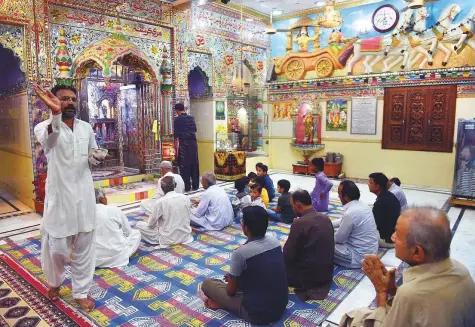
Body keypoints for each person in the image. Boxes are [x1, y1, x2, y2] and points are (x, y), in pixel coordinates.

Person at [339, 207, 475, 327]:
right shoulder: (461, 269)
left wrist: (381, 293)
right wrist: (392, 289)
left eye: (397, 234)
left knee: (351, 318)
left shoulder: (410, 295)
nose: (392, 237)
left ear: (417, 252)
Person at [33, 84, 103, 311]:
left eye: (73, 99)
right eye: (64, 98)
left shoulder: (86, 128)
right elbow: (50, 143)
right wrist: (55, 114)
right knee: (57, 249)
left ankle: (81, 291)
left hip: (84, 195)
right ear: (54, 99)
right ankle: (55, 282)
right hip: (60, 198)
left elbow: (92, 154)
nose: (70, 103)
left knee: (84, 247)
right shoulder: (43, 127)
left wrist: (96, 157)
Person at [201, 206, 288, 324]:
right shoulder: (275, 242)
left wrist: (234, 280)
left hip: (257, 314)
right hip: (281, 305)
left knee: (208, 284)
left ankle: (224, 303)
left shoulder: (240, 253)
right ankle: (227, 301)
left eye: (242, 222)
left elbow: (230, 291)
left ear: (246, 228)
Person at [284, 190, 334, 301]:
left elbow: (287, 254)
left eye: (293, 206)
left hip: (307, 277)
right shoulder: (325, 218)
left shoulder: (299, 223)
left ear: (298, 204)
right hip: (326, 273)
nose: (293, 209)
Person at [136, 176, 193, 247]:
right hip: (185, 236)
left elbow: (151, 224)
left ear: (162, 188)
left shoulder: (160, 202)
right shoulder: (186, 198)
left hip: (168, 239)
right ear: (175, 185)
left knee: (139, 225)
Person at [333, 181, 378, 268]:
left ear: (345, 197)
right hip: (372, 252)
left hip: (358, 257)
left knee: (323, 243)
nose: (338, 196)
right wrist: (328, 223)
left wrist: (324, 234)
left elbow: (339, 239)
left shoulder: (350, 213)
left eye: (339, 193)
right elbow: (343, 220)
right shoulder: (364, 206)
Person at [94, 188, 141, 268]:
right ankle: (124, 254)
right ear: (102, 199)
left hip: (94, 259)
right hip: (117, 257)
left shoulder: (83, 214)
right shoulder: (113, 209)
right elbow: (128, 232)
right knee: (136, 234)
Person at [369, 173, 401, 248]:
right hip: (395, 236)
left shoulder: (380, 202)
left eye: (370, 183)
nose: (368, 185)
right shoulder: (390, 195)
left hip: (387, 240)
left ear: (377, 186)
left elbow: (373, 224)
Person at [174, 103, 199, 192]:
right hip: (193, 144)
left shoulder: (178, 120)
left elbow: (176, 134)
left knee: (184, 166)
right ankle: (195, 185)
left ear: (177, 111)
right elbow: (195, 130)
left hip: (184, 145)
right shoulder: (191, 118)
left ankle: (187, 186)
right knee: (194, 164)